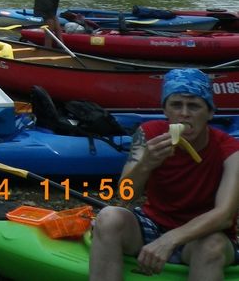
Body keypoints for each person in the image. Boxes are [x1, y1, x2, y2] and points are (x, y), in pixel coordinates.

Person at [89, 69, 239, 279]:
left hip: (203, 235)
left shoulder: (230, 150)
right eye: (176, 105)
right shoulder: (148, 134)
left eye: (194, 106)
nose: (184, 113)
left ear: (210, 113)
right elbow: (124, 197)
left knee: (210, 246)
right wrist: (146, 164)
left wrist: (170, 239)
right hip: (154, 223)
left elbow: (224, 216)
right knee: (108, 217)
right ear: (165, 110)